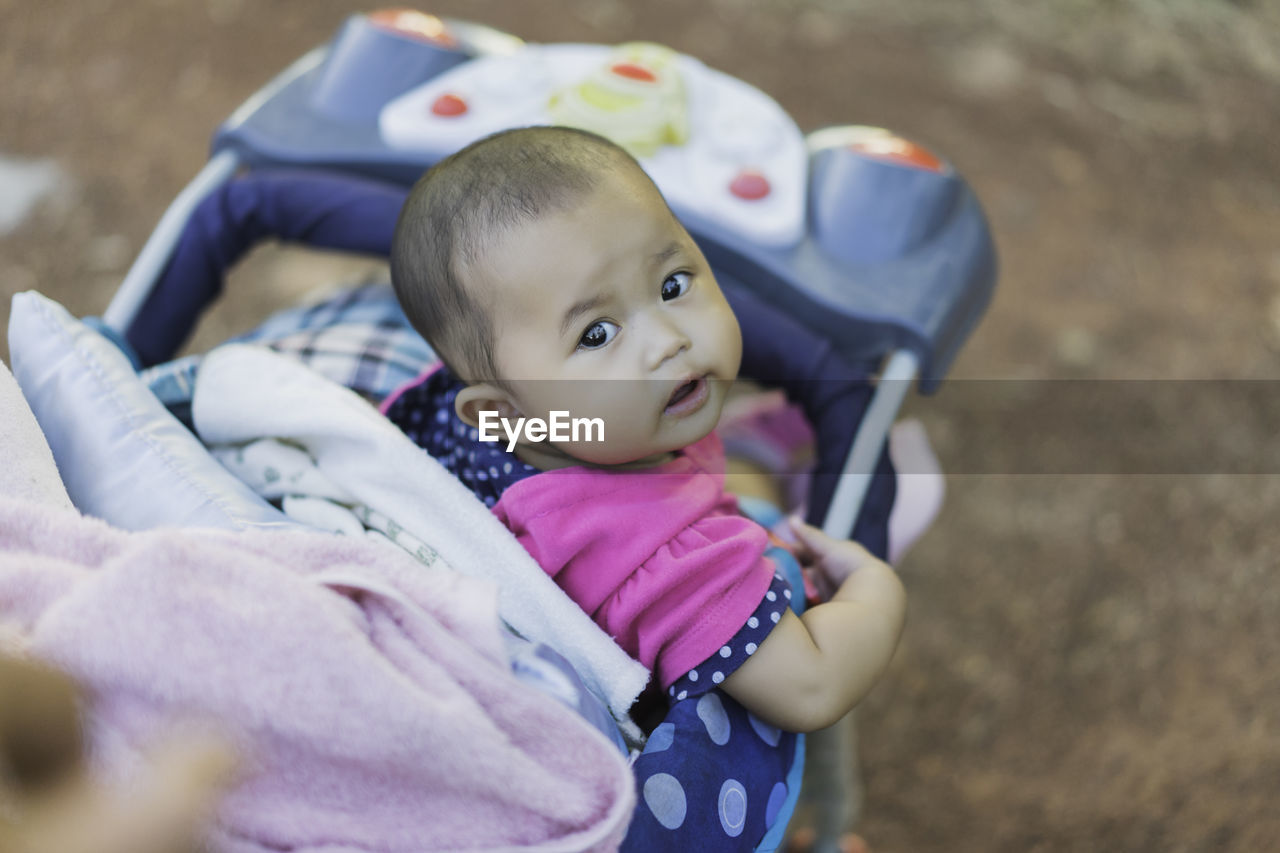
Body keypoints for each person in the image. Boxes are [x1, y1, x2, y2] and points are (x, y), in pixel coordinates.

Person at [384, 125, 905, 848]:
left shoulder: (481, 422)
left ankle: (752, 443)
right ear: (499, 411)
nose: (666, 339)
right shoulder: (658, 548)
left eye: (672, 284)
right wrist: (878, 589)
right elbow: (810, 685)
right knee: (763, 516)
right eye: (597, 334)